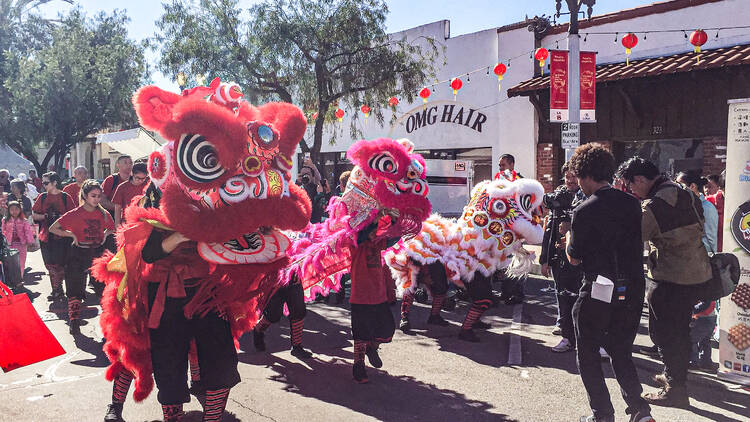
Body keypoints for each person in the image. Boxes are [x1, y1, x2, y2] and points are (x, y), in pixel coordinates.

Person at [566, 144, 653, 422]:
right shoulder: (632, 203)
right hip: (633, 286)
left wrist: (567, 239)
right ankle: (640, 410)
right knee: (621, 350)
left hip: (597, 288)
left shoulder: (584, 209)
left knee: (588, 354)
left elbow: (575, 259)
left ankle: (602, 414)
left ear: (584, 175)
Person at [616, 157, 711, 409]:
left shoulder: (654, 205)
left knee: (666, 334)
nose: (631, 191)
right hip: (696, 271)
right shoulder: (684, 192)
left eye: (630, 186)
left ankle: (675, 389)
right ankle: (674, 377)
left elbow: (633, 238)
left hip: (671, 277)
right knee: (680, 330)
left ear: (640, 179)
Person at [49, 180, 115, 335]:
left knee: (102, 289)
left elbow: (112, 228)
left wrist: (105, 235)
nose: (97, 199)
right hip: (78, 253)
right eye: (93, 196)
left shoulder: (103, 213)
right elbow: (53, 228)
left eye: (99, 196)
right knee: (74, 288)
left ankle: (108, 325)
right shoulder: (74, 214)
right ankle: (74, 321)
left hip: (97, 253)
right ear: (85, 195)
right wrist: (70, 234)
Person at [350, 208, 400, 383]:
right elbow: (362, 234)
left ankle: (373, 347)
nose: (375, 233)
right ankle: (359, 366)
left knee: (387, 330)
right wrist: (375, 216)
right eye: (373, 228)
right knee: (361, 334)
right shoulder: (355, 241)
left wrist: (395, 218)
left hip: (379, 295)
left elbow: (395, 237)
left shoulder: (378, 242)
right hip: (360, 295)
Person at [540, 162, 585, 353]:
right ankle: (567, 337)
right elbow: (549, 232)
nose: (570, 180)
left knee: (583, 302)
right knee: (563, 298)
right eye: (567, 177)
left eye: (574, 176)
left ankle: (588, 341)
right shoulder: (559, 197)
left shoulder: (587, 198)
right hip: (561, 259)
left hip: (582, 260)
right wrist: (545, 260)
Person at [32, 171, 75, 301]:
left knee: (61, 263)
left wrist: (60, 218)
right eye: (43, 182)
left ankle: (62, 289)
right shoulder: (42, 197)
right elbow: (34, 215)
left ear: (55, 182)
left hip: (62, 235)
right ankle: (56, 289)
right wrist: (46, 216)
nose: (44, 185)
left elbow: (73, 216)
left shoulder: (65, 197)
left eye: (46, 182)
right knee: (49, 264)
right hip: (46, 236)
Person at [252, 275, 313, 360]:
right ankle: (258, 329)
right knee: (273, 316)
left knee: (299, 312)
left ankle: (296, 347)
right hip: (275, 281)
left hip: (294, 279)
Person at [676, 173, 718, 254]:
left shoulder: (707, 207)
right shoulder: (682, 205)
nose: (676, 189)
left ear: (692, 186)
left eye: (680, 186)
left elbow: (711, 239)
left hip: (701, 257)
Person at [2, 201, 34, 278]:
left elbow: (28, 232)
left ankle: (19, 279)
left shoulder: (24, 220)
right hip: (9, 245)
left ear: (20, 210)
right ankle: (12, 280)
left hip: (21, 245)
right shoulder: (5, 220)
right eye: (12, 209)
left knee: (21, 263)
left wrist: (30, 241)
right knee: (10, 263)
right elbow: (3, 231)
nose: (14, 211)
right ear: (8, 210)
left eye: (16, 209)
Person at [704, 174, 724, 252]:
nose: (706, 190)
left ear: (719, 187)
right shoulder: (705, 203)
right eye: (705, 187)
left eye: (710, 187)